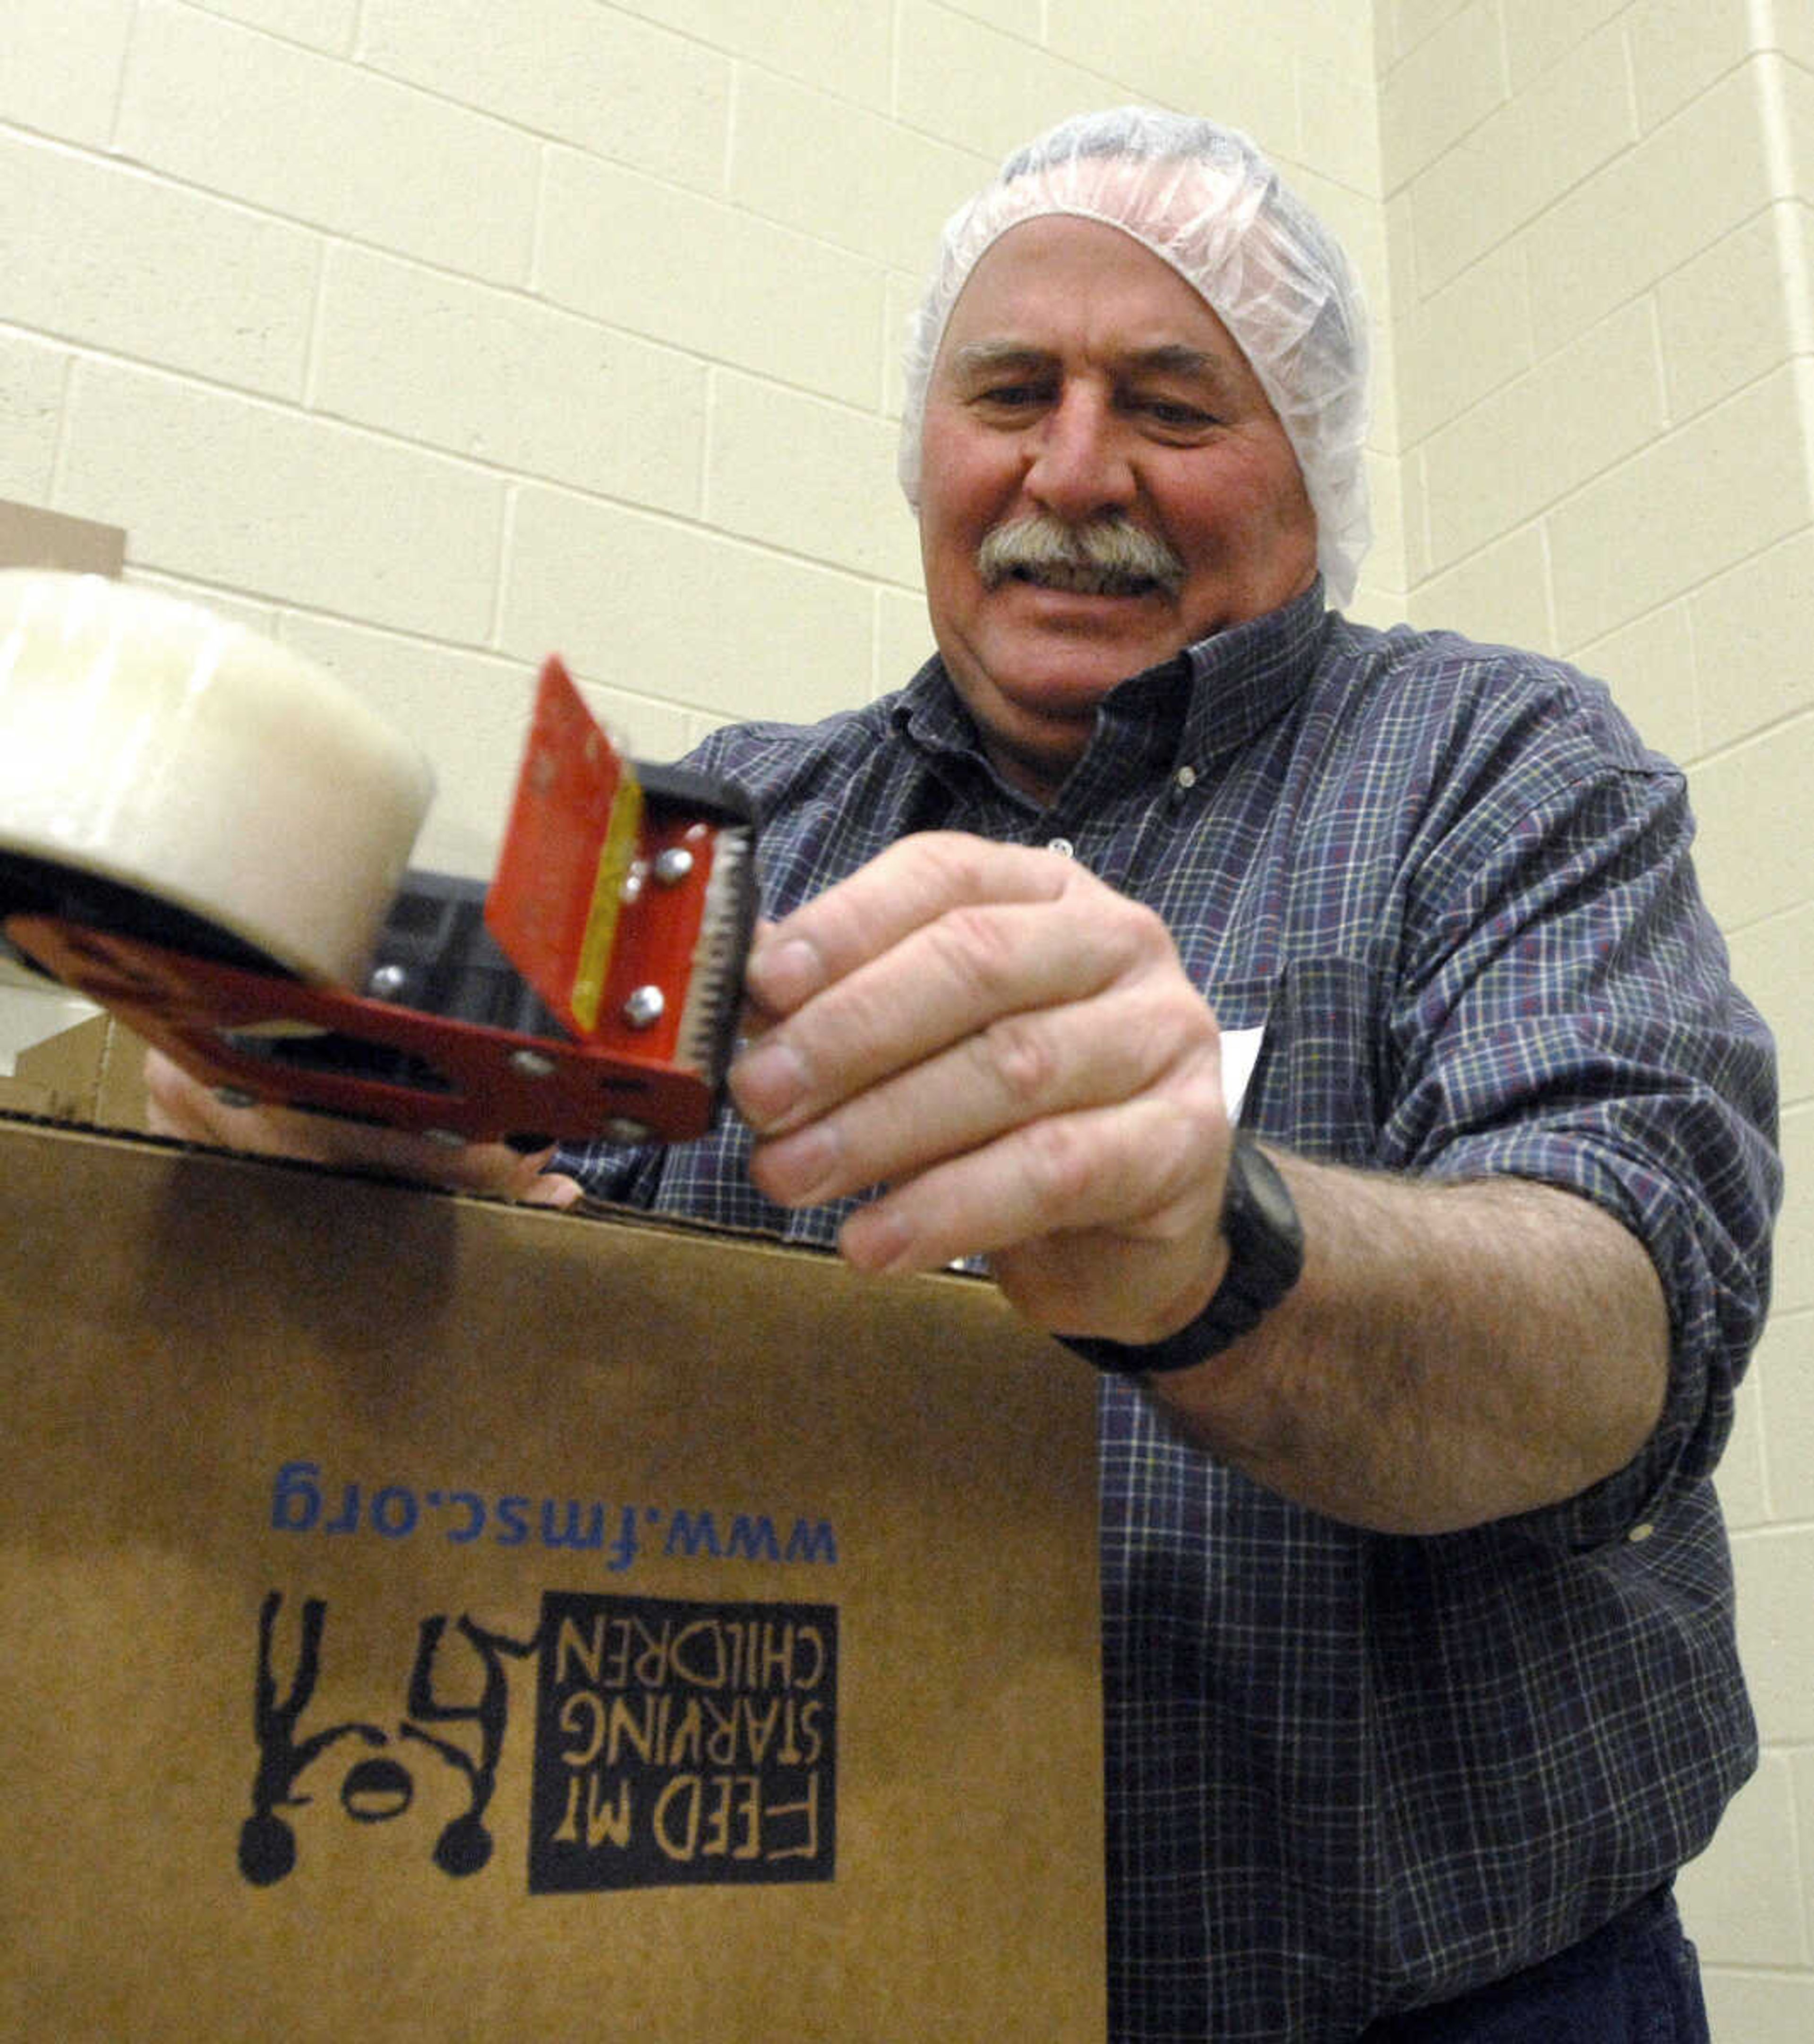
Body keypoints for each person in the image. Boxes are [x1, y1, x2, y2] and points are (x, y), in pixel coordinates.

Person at [150, 109, 1780, 2042]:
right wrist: (338, 1171)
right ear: (930, 446)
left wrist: (1216, 1240)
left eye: (1171, 402)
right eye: (1011, 389)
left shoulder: (1501, 768)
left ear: (1314, 466)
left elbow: (1618, 1333)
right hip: (827, 1967)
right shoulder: (732, 830)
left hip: (1464, 1994)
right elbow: (527, 1323)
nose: (1071, 467)